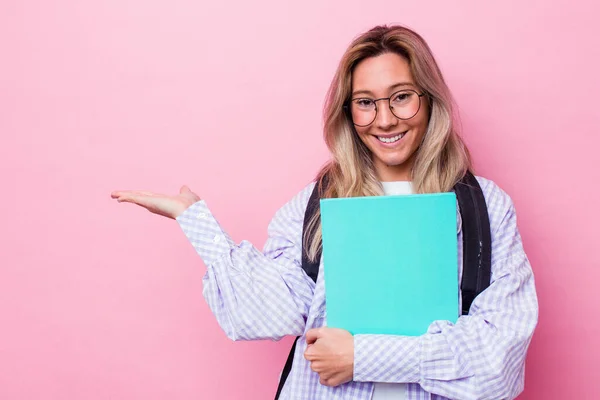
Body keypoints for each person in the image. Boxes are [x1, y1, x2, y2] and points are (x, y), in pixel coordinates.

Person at [111, 25, 538, 400]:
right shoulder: (318, 204)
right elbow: (263, 313)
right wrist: (197, 222)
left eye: (402, 98)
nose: (385, 120)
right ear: (348, 114)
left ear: (429, 101)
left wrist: (362, 358)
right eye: (366, 103)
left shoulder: (484, 208)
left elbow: (498, 361)